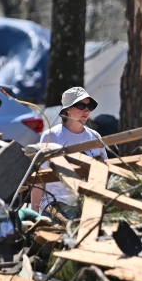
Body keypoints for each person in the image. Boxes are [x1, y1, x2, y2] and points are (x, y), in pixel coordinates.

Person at [30, 86, 107, 217]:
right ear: (68, 110)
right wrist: (34, 215)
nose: (86, 110)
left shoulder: (95, 137)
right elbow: (39, 179)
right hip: (55, 204)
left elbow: (104, 176)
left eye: (90, 106)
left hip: (86, 204)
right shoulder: (51, 136)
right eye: (81, 105)